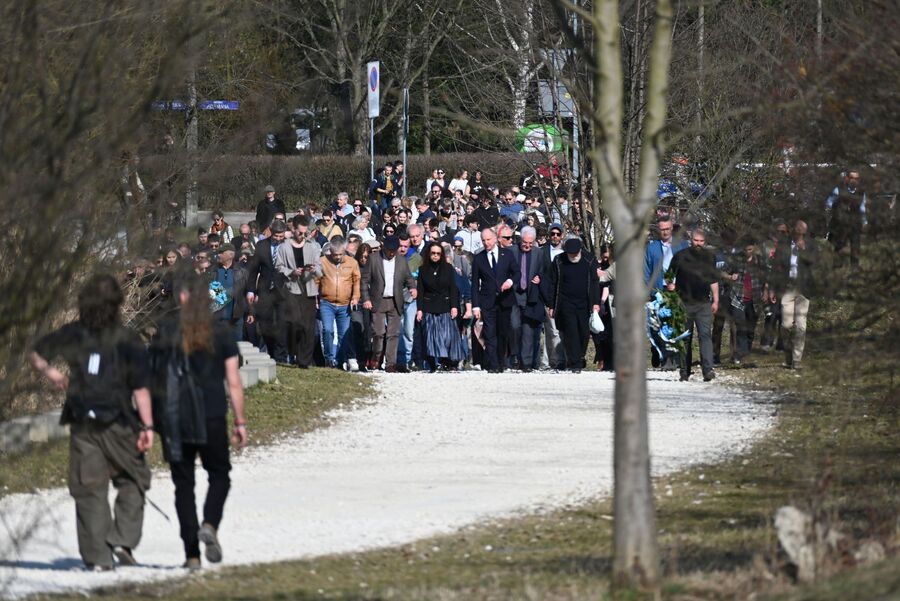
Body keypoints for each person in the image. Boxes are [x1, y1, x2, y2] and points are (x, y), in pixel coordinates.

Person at [28, 274, 154, 571]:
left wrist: (55, 375)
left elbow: (36, 353)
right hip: (119, 419)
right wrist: (148, 426)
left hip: (82, 419)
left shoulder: (72, 333)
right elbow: (140, 389)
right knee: (134, 478)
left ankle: (98, 558)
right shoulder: (128, 339)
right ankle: (122, 539)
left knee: (89, 487)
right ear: (117, 304)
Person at [156, 277, 248, 570]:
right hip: (212, 414)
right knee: (219, 474)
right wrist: (240, 421)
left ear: (182, 299)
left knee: (183, 486)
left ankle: (192, 555)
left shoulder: (167, 331)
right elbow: (233, 381)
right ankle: (209, 522)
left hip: (176, 415)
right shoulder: (221, 333)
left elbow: (153, 375)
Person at [668, 228, 719, 382]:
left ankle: (708, 370)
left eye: (701, 241)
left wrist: (716, 300)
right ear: (691, 240)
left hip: (703, 303)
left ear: (705, 242)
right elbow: (669, 274)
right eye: (696, 240)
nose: (698, 244)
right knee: (685, 338)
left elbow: (714, 280)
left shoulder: (710, 258)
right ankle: (684, 371)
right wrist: (670, 284)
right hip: (684, 303)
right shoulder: (680, 256)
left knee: (705, 336)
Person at [361, 235, 417, 372]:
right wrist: (366, 299)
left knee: (393, 333)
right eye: (389, 250)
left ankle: (391, 363)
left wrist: (412, 287)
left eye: (394, 250)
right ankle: (376, 357)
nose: (391, 253)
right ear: (384, 248)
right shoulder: (374, 259)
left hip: (395, 300)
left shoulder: (401, 260)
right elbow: (364, 280)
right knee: (378, 332)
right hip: (378, 300)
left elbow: (409, 277)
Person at [545, 238, 601, 373]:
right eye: (571, 254)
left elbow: (594, 282)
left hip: (585, 303)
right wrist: (551, 305)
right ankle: (575, 363)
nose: (574, 256)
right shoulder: (559, 261)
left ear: (580, 250)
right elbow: (552, 283)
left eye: (576, 253)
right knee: (571, 332)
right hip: (566, 303)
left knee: (584, 332)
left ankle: (580, 356)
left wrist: (595, 303)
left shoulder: (589, 260)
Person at [471, 228, 520, 373]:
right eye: (483, 240)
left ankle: (501, 361)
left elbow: (517, 273)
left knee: (503, 332)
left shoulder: (507, 254)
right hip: (487, 301)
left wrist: (510, 282)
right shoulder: (478, 258)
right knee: (490, 333)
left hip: (505, 300)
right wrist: (476, 306)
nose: (486, 243)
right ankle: (493, 365)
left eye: (488, 240)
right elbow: (475, 284)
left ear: (495, 239)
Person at [275, 216, 322, 369]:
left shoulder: (312, 246)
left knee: (308, 326)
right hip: (292, 288)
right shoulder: (284, 247)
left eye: (305, 233)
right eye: (300, 232)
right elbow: (279, 267)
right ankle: (293, 352)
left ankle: (304, 361)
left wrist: (314, 269)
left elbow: (320, 267)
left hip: (308, 289)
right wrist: (291, 272)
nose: (302, 235)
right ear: (293, 229)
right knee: (294, 323)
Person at [771, 220, 819, 370]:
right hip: (788, 288)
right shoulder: (784, 244)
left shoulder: (811, 245)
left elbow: (815, 263)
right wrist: (772, 288)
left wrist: (803, 250)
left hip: (803, 289)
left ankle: (797, 359)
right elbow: (776, 266)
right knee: (785, 325)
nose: (800, 234)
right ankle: (788, 356)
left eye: (802, 232)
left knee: (800, 326)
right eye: (798, 231)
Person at [644, 215, 689, 368]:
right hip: (659, 291)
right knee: (661, 325)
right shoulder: (651, 248)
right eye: (662, 229)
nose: (665, 232)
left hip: (678, 290)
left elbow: (688, 268)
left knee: (676, 324)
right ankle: (663, 356)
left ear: (672, 228)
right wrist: (650, 292)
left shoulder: (682, 245)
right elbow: (646, 273)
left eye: (667, 229)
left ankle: (676, 358)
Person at [246, 219, 289, 363]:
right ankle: (271, 353)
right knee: (265, 324)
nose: (278, 238)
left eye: (281, 236)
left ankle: (281, 357)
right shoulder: (261, 245)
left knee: (282, 324)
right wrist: (251, 290)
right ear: (271, 232)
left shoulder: (288, 245)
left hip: (283, 291)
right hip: (265, 290)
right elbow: (254, 270)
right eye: (276, 235)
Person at [416, 243, 463, 371]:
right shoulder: (422, 270)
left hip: (445, 305)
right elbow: (421, 290)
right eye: (433, 253)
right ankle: (432, 363)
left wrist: (454, 306)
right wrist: (419, 309)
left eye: (438, 253)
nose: (435, 256)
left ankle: (448, 362)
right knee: (432, 337)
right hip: (429, 306)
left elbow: (453, 288)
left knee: (448, 336)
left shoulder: (448, 268)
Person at [317, 236, 361, 370]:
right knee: (327, 330)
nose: (337, 257)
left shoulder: (352, 263)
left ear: (344, 250)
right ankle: (329, 359)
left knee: (344, 334)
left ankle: (340, 361)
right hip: (327, 302)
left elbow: (356, 281)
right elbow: (316, 281)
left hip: (345, 304)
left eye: (340, 254)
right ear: (330, 251)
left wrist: (355, 297)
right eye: (335, 254)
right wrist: (315, 299)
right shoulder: (322, 262)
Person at [510, 226, 546, 372]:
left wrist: (539, 277)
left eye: (531, 243)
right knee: (514, 326)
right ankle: (514, 357)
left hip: (530, 296)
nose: (528, 245)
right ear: (520, 239)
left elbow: (543, 271)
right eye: (525, 242)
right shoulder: (511, 251)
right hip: (514, 295)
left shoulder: (539, 253)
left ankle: (526, 363)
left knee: (528, 330)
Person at [726, 239, 767, 365]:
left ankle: (746, 353)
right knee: (741, 327)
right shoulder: (736, 259)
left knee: (750, 328)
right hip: (738, 297)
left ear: (754, 248)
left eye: (750, 249)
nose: (747, 252)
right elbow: (723, 271)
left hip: (754, 298)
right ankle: (740, 355)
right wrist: (730, 276)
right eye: (745, 250)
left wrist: (766, 291)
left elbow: (766, 277)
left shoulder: (760, 261)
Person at [825, 170, 867, 267]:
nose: (854, 180)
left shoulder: (861, 192)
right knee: (839, 247)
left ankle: (855, 269)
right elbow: (828, 203)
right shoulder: (838, 190)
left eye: (856, 178)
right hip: (841, 224)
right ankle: (837, 268)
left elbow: (862, 208)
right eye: (852, 178)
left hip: (854, 224)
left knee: (856, 248)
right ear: (847, 178)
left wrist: (865, 221)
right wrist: (835, 214)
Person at [541, 223, 567, 370]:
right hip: (546, 295)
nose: (555, 236)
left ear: (562, 235)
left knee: (558, 331)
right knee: (550, 331)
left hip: (562, 297)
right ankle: (550, 361)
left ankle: (559, 360)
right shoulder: (543, 252)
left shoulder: (566, 252)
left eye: (558, 234)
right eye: (552, 234)